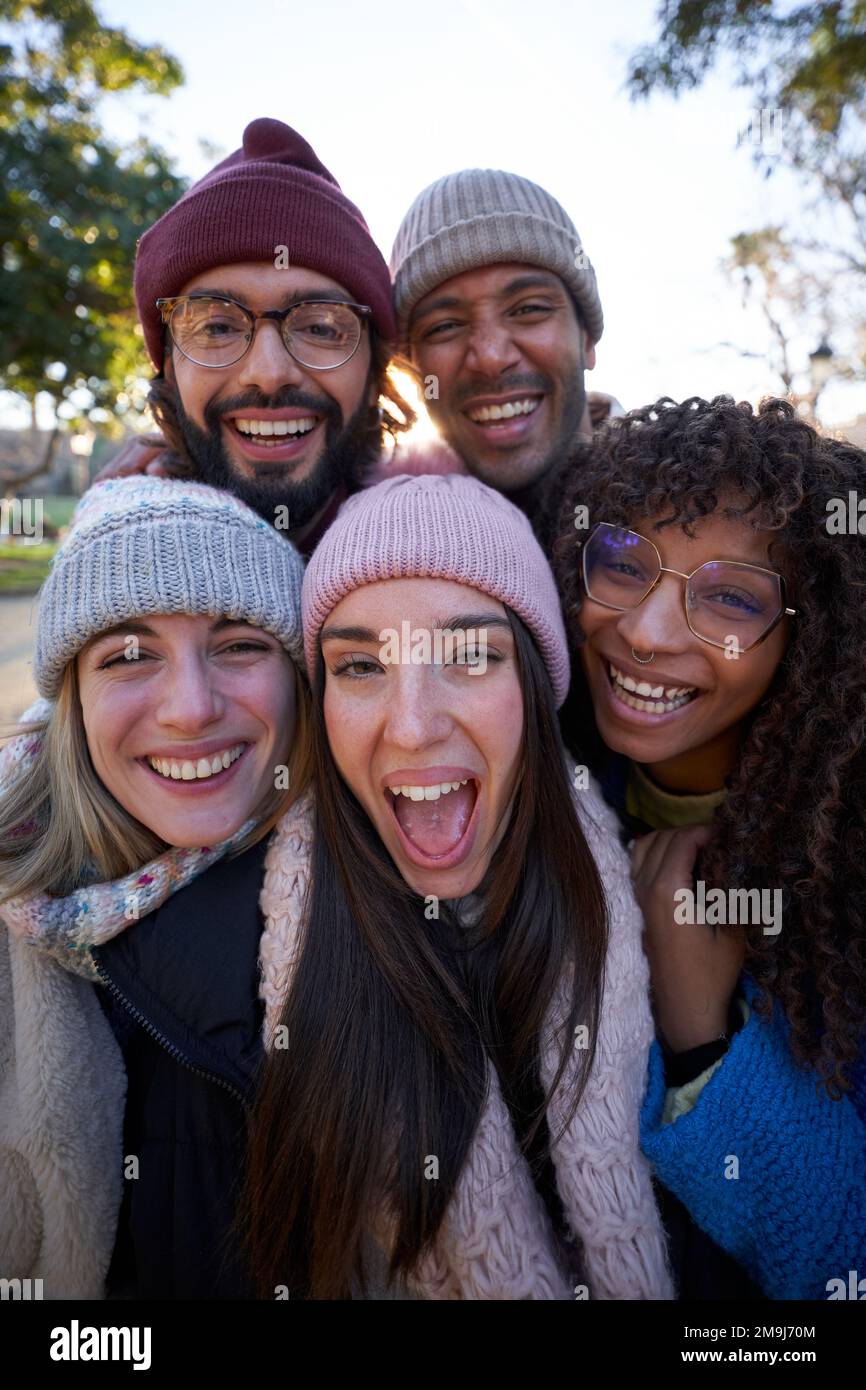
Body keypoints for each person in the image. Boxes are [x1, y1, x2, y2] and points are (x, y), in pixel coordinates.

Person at [238, 470, 673, 1300]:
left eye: (470, 656)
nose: (412, 724)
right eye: (361, 666)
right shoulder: (235, 985)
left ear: (536, 694)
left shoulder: (666, 930)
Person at [550, 395, 866, 1299]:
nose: (648, 634)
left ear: (812, 640)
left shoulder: (843, 868)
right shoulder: (548, 784)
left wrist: (701, 1048)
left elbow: (844, 1265)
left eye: (728, 596)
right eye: (623, 565)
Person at [0, 475, 309, 1298]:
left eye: (240, 643)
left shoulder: (385, 912)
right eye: (129, 656)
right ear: (72, 700)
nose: (190, 709)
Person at [98, 116, 414, 556]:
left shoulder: (450, 560)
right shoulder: (110, 568)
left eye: (321, 327)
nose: (269, 374)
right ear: (168, 368)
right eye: (217, 327)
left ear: (375, 376)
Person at [389, 168, 606, 530]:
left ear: (586, 338)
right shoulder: (388, 538)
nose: (491, 357)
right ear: (413, 369)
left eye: (529, 309)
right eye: (445, 327)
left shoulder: (705, 512)